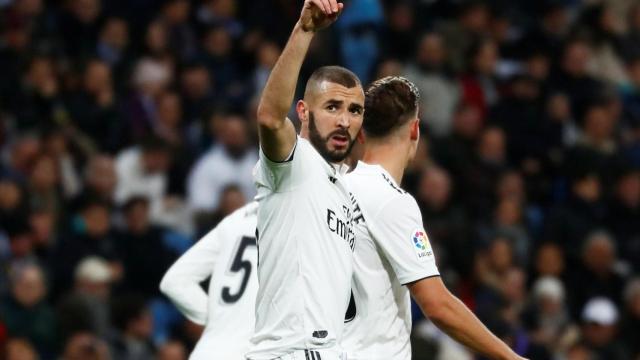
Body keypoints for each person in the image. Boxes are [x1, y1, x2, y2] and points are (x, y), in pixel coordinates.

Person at [343, 76, 525, 360]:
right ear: (415, 130)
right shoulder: (391, 200)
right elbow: (437, 305)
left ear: (362, 133)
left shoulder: (334, 188)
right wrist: (511, 357)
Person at [249, 0, 364, 358]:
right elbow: (269, 117)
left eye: (354, 110)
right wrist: (305, 30)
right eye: (333, 107)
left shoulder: (343, 192)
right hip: (290, 350)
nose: (345, 121)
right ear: (303, 111)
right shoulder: (293, 163)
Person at [160, 202, 258, 359]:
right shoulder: (298, 224)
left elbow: (174, 281)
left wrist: (219, 320)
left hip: (208, 352)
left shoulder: (237, 219)